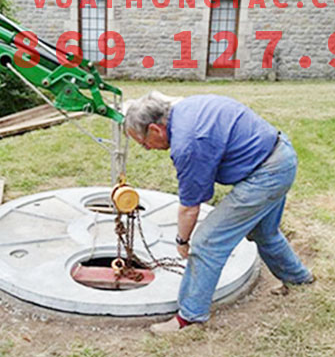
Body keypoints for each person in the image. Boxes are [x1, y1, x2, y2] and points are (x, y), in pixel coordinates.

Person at [123, 91, 314, 334]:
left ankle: (190, 317)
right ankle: (299, 279)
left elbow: (190, 207)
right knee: (265, 232)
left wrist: (182, 241)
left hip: (266, 174)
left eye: (144, 143)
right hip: (280, 155)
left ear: (155, 130)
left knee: (207, 242)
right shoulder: (184, 110)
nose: (148, 148)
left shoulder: (188, 144)